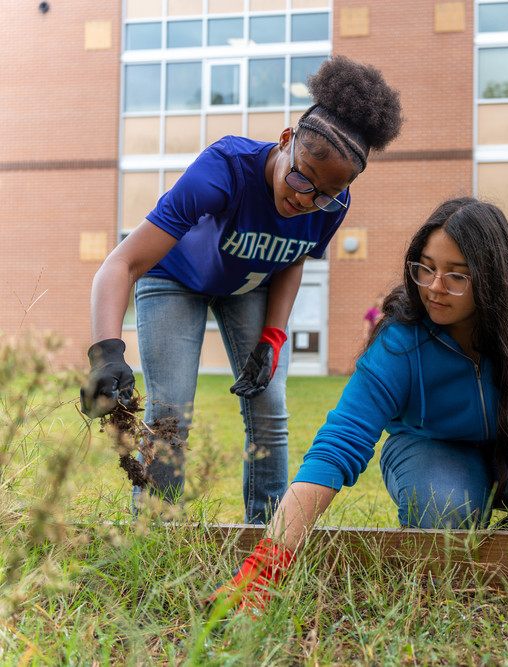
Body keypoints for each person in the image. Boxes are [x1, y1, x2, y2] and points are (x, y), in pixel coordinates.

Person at [207, 196, 508, 613]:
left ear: (492, 278)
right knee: (445, 510)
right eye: (425, 268)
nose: (434, 287)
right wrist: (266, 566)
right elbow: (338, 445)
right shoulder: (400, 340)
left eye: (456, 275)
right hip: (431, 448)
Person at [79, 55, 404, 524]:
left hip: (250, 284)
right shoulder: (223, 170)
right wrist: (106, 352)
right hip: (175, 280)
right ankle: (154, 530)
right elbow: (123, 261)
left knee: (270, 409)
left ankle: (267, 535)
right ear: (287, 140)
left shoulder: (333, 203)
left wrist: (273, 336)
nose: (304, 199)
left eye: (324, 193)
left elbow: (296, 254)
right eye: (300, 176)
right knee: (171, 413)